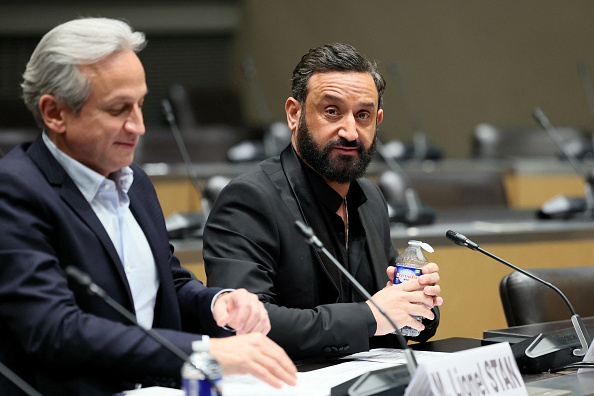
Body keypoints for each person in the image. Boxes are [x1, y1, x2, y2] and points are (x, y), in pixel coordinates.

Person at [0, 17, 296, 396]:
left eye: (140, 105)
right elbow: (56, 329)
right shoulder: (16, 191)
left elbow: (167, 283)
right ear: (55, 113)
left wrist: (216, 304)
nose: (138, 126)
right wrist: (202, 352)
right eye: (119, 109)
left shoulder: (134, 181)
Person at [203, 43, 443, 361]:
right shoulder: (249, 199)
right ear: (294, 114)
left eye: (363, 115)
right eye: (332, 111)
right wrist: (373, 316)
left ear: (377, 121)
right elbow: (243, 323)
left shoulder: (370, 197)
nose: (350, 131)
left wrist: (418, 305)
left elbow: (390, 311)